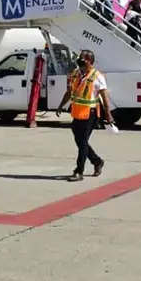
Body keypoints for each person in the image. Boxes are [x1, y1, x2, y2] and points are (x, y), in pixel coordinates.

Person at [55, 49, 114, 182]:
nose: (79, 60)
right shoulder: (76, 73)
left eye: (82, 58)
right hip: (77, 113)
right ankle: (97, 161)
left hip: (90, 114)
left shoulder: (97, 76)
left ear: (90, 61)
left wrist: (108, 114)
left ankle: (79, 171)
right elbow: (70, 91)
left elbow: (105, 97)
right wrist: (61, 105)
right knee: (81, 142)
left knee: (82, 143)